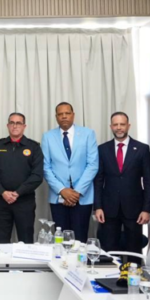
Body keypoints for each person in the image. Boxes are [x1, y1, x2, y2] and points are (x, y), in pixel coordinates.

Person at [93, 112, 150, 261]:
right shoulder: (102, 149)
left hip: (135, 209)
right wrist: (98, 207)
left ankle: (135, 276)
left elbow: (149, 181)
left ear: (128, 126)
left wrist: (147, 209)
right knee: (109, 251)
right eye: (115, 124)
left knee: (134, 250)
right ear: (111, 126)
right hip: (108, 209)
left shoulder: (142, 149)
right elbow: (99, 180)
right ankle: (110, 276)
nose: (119, 128)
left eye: (122, 124)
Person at [41, 102, 99, 243]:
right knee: (60, 240)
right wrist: (62, 190)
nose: (64, 116)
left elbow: (92, 165)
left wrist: (77, 192)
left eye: (67, 113)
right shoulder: (48, 137)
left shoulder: (88, 134)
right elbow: (45, 167)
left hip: (82, 196)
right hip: (58, 197)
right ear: (56, 117)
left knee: (80, 239)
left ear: (73, 115)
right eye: (60, 114)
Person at [0, 113, 43, 244]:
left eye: (18, 123)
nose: (15, 126)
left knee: (26, 241)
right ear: (7, 125)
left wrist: (18, 193)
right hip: (1, 201)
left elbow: (37, 176)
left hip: (24, 202)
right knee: (1, 241)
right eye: (12, 123)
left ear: (24, 126)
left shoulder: (34, 147)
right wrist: (3, 192)